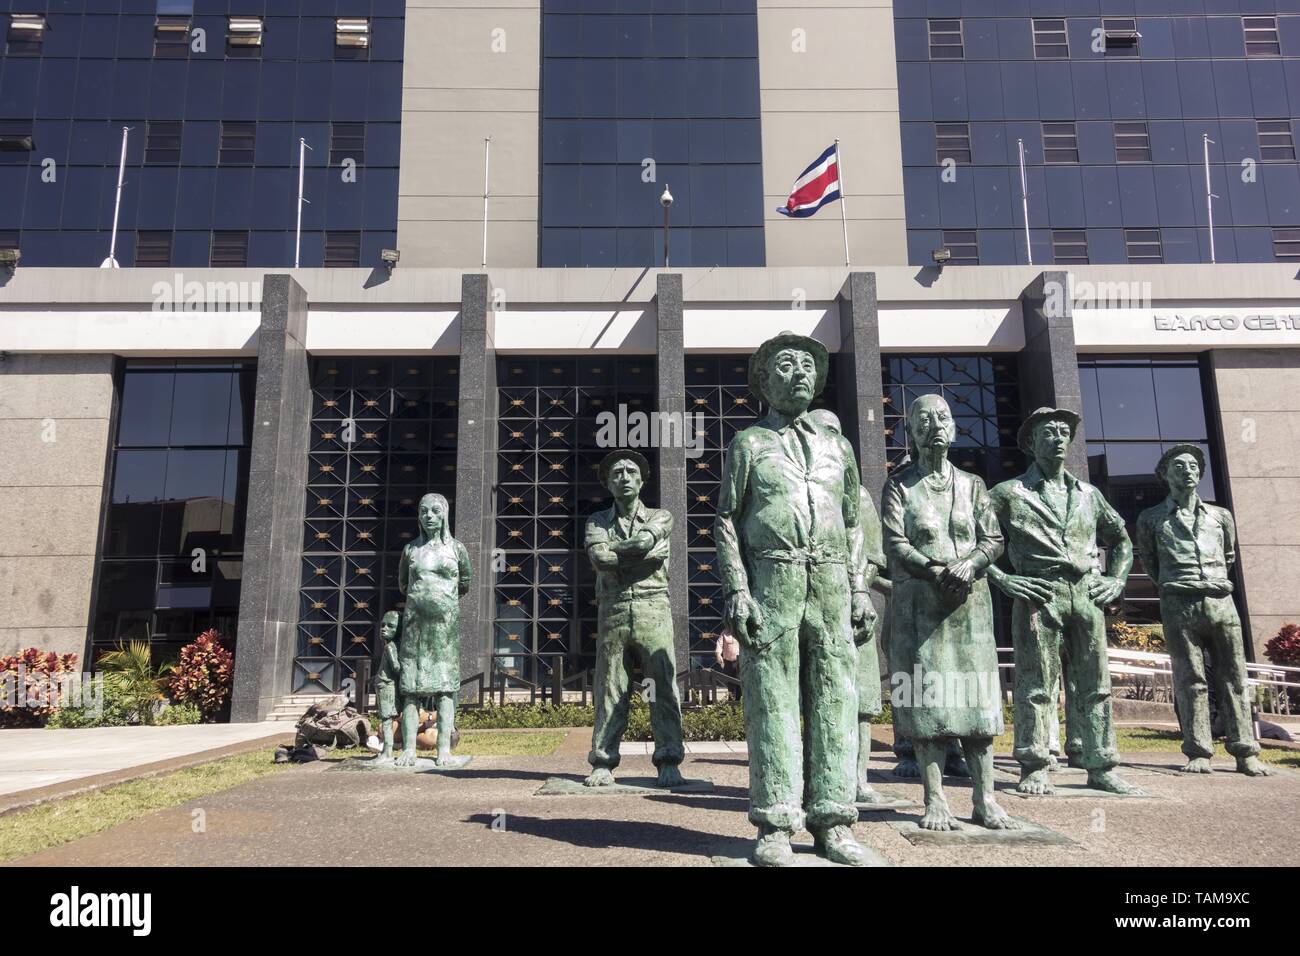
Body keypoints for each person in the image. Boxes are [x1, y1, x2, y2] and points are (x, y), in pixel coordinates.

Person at [715, 331, 872, 867]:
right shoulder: (748, 444)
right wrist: (738, 589)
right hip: (772, 582)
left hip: (830, 583)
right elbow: (726, 522)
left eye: (808, 366)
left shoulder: (838, 445)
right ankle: (776, 825)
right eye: (785, 365)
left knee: (837, 699)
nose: (800, 374)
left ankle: (835, 822)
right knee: (773, 702)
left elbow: (853, 524)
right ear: (763, 380)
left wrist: (859, 589)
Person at [987, 408, 1142, 795]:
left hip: (1087, 594)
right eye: (1048, 432)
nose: (1057, 438)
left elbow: (1121, 539)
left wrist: (1117, 579)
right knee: (1035, 682)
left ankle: (1100, 764)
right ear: (1030, 442)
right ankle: (1034, 763)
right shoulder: (1009, 493)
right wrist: (1003, 578)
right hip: (1042, 593)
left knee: (1095, 684)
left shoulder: (1089, 494)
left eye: (1063, 432)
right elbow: (972, 538)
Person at [881, 394, 1018, 830]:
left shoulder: (974, 484)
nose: (934, 425)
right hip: (923, 605)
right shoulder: (899, 485)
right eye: (923, 419)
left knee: (978, 702)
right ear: (912, 432)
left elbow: (993, 538)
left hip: (970, 604)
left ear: (955, 428)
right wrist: (935, 568)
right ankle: (934, 799)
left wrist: (971, 563)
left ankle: (984, 799)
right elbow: (895, 544)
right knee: (929, 704)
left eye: (943, 417)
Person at [1135, 444, 1272, 777]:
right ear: (1165, 474)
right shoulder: (1151, 518)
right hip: (1179, 603)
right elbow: (1150, 562)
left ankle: (1245, 752)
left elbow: (1228, 556)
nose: (1189, 470)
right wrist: (1175, 584)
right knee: (1189, 678)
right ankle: (1198, 750)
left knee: (1235, 677)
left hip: (1221, 602)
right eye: (1179, 466)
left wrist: (1210, 581)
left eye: (1194, 465)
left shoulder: (1220, 516)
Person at [584, 450, 686, 788]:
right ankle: (603, 762)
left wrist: (621, 554)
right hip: (612, 609)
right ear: (607, 483)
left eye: (630, 472)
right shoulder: (597, 521)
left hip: (652, 607)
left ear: (642, 480)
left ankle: (669, 760)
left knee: (660, 688)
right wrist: (641, 556)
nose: (624, 477)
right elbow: (600, 558)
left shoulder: (661, 516)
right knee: (611, 687)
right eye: (616, 473)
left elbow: (644, 542)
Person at [396, 492, 472, 768]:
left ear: (445, 515)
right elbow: (405, 584)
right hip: (415, 628)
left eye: (436, 511)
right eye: (424, 511)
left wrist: (441, 602)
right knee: (411, 689)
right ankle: (409, 750)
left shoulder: (457, 550)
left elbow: (465, 582)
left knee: (445, 688)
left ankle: (444, 750)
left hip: (444, 630)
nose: (429, 516)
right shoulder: (411, 551)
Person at [374, 611, 401, 761]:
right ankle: (387, 749)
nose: (383, 629)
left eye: (390, 626)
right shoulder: (389, 646)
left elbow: (396, 667)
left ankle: (387, 751)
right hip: (382, 683)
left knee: (386, 719)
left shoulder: (390, 647)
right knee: (386, 718)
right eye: (382, 625)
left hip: (386, 685)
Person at [713, 627, 741, 701]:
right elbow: (719, 644)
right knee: (730, 683)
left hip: (739, 662)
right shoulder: (725, 632)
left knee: (739, 682)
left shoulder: (740, 632)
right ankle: (731, 701)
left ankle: (739, 702)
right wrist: (718, 654)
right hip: (728, 662)